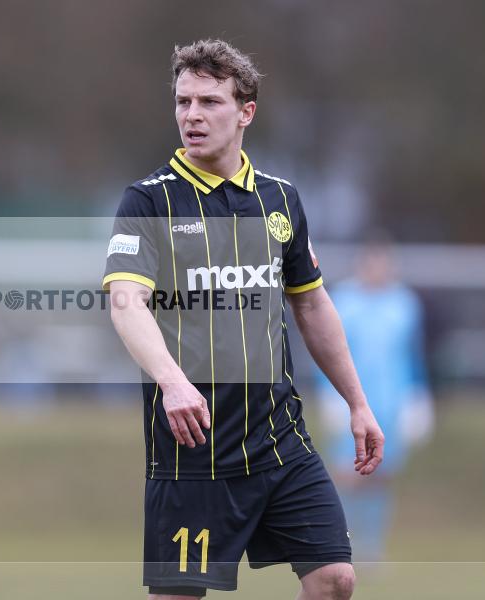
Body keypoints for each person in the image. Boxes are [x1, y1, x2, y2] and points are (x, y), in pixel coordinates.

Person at [103, 39, 384, 600]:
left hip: (279, 441)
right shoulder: (149, 202)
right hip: (192, 451)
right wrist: (173, 381)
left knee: (335, 579)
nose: (192, 116)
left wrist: (357, 402)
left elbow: (311, 303)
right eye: (183, 102)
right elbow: (126, 302)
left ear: (245, 111)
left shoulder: (281, 201)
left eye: (209, 101)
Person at [317, 235, 434, 563]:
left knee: (381, 476)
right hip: (351, 404)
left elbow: (412, 354)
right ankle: (340, 542)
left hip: (390, 402)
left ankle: (371, 546)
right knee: (347, 474)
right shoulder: (344, 300)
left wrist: (417, 397)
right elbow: (325, 350)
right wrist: (330, 395)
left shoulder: (404, 303)